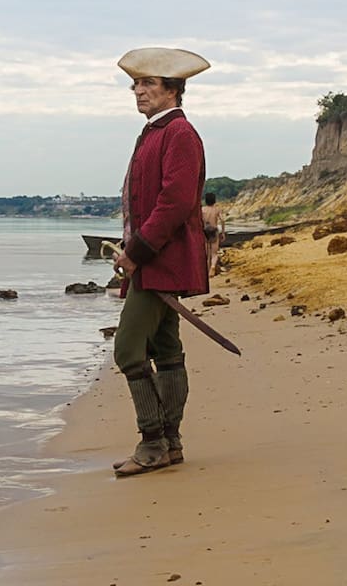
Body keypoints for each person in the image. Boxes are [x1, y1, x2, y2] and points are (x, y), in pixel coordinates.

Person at [109, 46, 210, 477]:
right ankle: (170, 444)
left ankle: (152, 444)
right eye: (136, 83)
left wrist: (135, 253)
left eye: (148, 83)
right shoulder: (153, 132)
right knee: (166, 350)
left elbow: (174, 203)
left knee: (128, 351)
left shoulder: (180, 134)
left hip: (160, 262)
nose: (138, 90)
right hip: (153, 261)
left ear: (173, 89)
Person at [201, 192, 226, 276]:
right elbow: (222, 220)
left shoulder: (202, 210)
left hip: (205, 231)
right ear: (214, 201)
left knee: (206, 253)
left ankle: (206, 271)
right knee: (214, 253)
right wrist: (222, 232)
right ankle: (213, 266)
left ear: (205, 201)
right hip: (214, 231)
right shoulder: (217, 209)